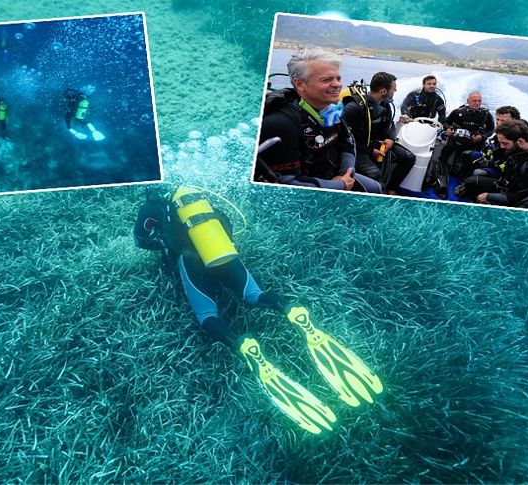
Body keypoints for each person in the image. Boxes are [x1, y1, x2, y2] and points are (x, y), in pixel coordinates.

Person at [133, 186, 383, 434]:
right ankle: (290, 310)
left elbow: (140, 240)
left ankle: (241, 344)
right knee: (254, 295)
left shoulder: (152, 205)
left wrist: (166, 244)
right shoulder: (198, 199)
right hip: (224, 254)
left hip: (191, 262)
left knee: (207, 316)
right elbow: (226, 223)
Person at [257, 48, 381, 192]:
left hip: (337, 177)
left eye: (338, 78)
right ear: (299, 84)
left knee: (377, 188)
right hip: (308, 190)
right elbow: (285, 182)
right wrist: (339, 185)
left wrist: (345, 174)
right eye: (327, 79)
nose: (337, 84)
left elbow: (348, 143)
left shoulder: (331, 109)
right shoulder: (279, 124)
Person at [457, 119, 528, 210]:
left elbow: (522, 198)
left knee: (474, 184)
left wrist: (489, 197)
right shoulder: (519, 150)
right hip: (509, 186)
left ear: (521, 141)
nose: (502, 147)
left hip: (519, 199)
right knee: (471, 182)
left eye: (505, 143)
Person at [343, 72, 416, 194]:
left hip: (378, 144)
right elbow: (345, 140)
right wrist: (370, 151)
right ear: (383, 91)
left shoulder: (385, 105)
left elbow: (391, 125)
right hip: (358, 149)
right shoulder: (354, 108)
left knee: (409, 158)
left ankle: (390, 189)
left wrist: (391, 139)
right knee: (374, 173)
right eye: (394, 88)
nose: (396, 90)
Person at [438, 91, 495, 179]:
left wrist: (482, 137)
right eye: (474, 101)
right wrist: (448, 129)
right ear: (468, 101)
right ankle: (441, 172)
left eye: (479, 101)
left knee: (471, 166)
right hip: (456, 141)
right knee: (444, 153)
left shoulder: (486, 115)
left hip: (475, 144)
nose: (477, 103)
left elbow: (491, 129)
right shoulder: (458, 112)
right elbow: (446, 123)